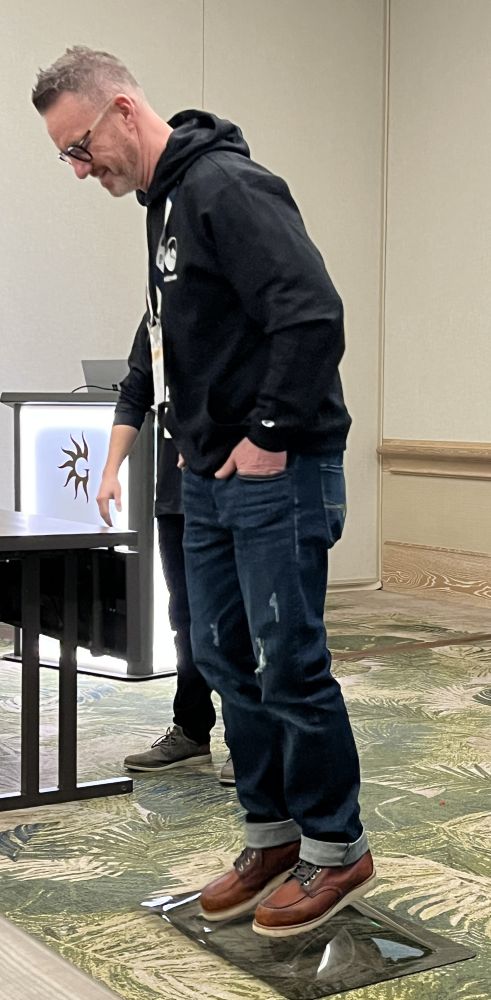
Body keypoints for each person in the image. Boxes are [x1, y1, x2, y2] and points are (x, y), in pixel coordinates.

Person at [32, 46, 375, 938]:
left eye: (79, 147)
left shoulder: (227, 186)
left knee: (289, 663)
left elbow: (311, 313)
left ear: (121, 108)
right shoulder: (166, 208)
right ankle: (269, 836)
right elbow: (166, 345)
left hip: (277, 474)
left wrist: (265, 436)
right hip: (213, 482)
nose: (78, 168)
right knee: (221, 658)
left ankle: (336, 848)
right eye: (65, 155)